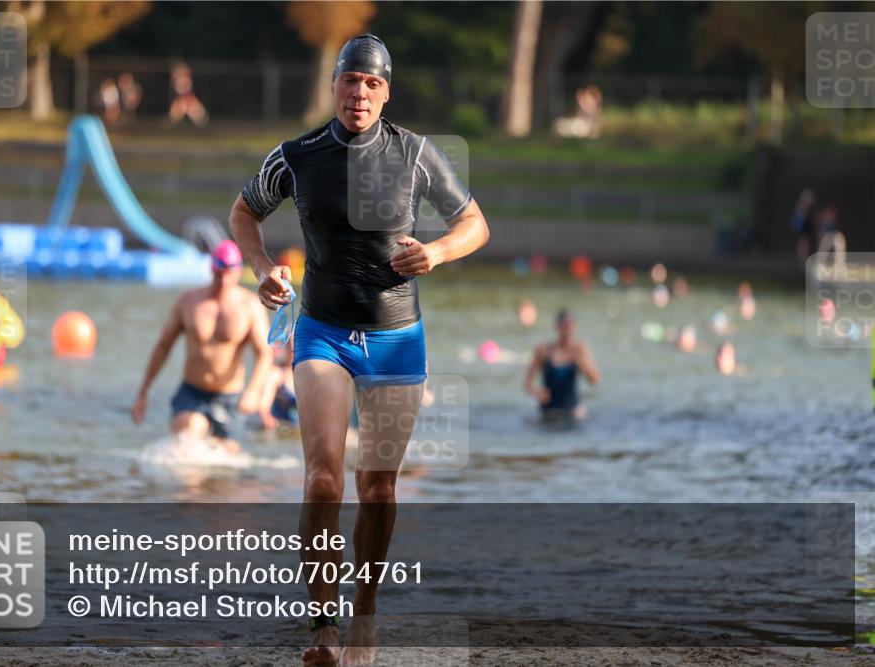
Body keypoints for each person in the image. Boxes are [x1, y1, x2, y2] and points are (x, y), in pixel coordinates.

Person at [229, 33, 490, 667]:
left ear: (386, 92)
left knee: (377, 488)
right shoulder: (297, 156)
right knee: (324, 479)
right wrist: (262, 267)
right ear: (336, 84)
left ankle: (364, 619)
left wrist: (437, 252)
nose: (361, 93)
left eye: (373, 84)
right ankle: (323, 629)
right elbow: (243, 213)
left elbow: (475, 224)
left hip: (397, 337)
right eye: (352, 80)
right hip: (321, 330)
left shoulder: (417, 154)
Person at [131, 241, 272, 454]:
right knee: (187, 445)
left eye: (227, 274)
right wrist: (143, 392)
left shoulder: (250, 306)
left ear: (237, 272)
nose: (222, 281)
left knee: (225, 466)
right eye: (218, 274)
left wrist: (254, 391)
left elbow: (264, 353)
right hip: (192, 393)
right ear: (211, 269)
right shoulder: (188, 302)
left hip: (230, 397)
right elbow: (163, 347)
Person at [523, 309, 599, 422]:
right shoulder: (543, 350)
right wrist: (537, 393)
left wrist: (580, 362)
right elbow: (527, 384)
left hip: (572, 410)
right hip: (548, 410)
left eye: (570, 325)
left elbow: (595, 380)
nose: (567, 329)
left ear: (575, 326)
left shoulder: (579, 349)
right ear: (557, 327)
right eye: (564, 325)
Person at [791, 188, 816, 263]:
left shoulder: (811, 210)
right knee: (803, 242)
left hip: (807, 228)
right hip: (802, 227)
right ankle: (800, 258)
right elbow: (797, 219)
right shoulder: (800, 208)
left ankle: (804, 258)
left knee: (805, 243)